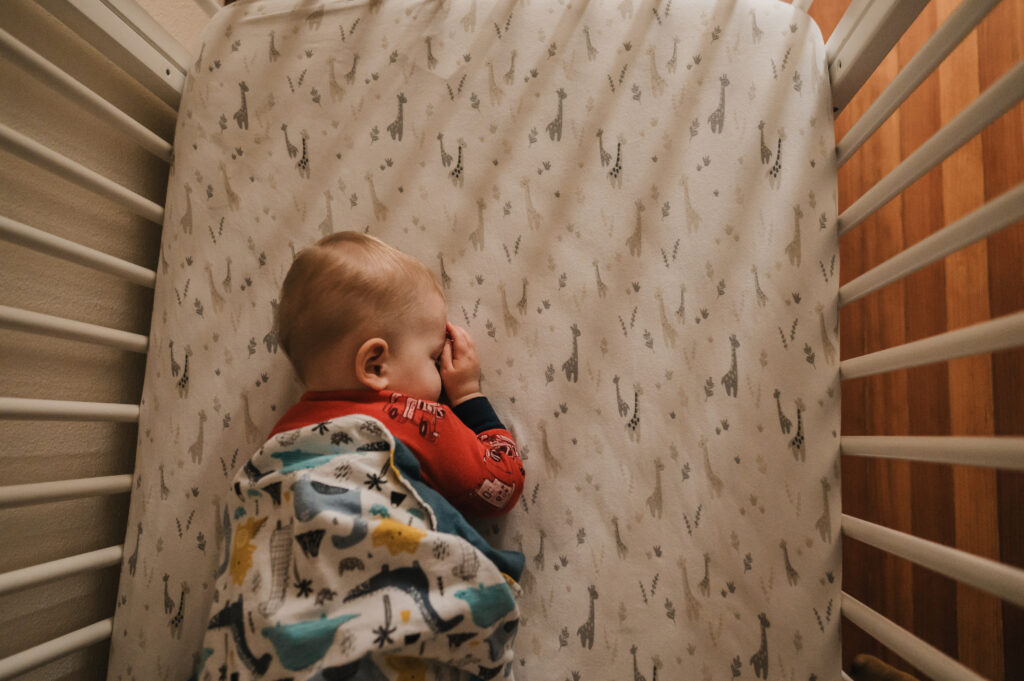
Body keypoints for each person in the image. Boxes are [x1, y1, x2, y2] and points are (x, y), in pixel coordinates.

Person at [270, 231, 525, 517]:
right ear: (375, 366)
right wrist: (467, 394)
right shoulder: (416, 420)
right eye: (433, 357)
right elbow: (502, 485)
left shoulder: (282, 436)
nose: (440, 370)